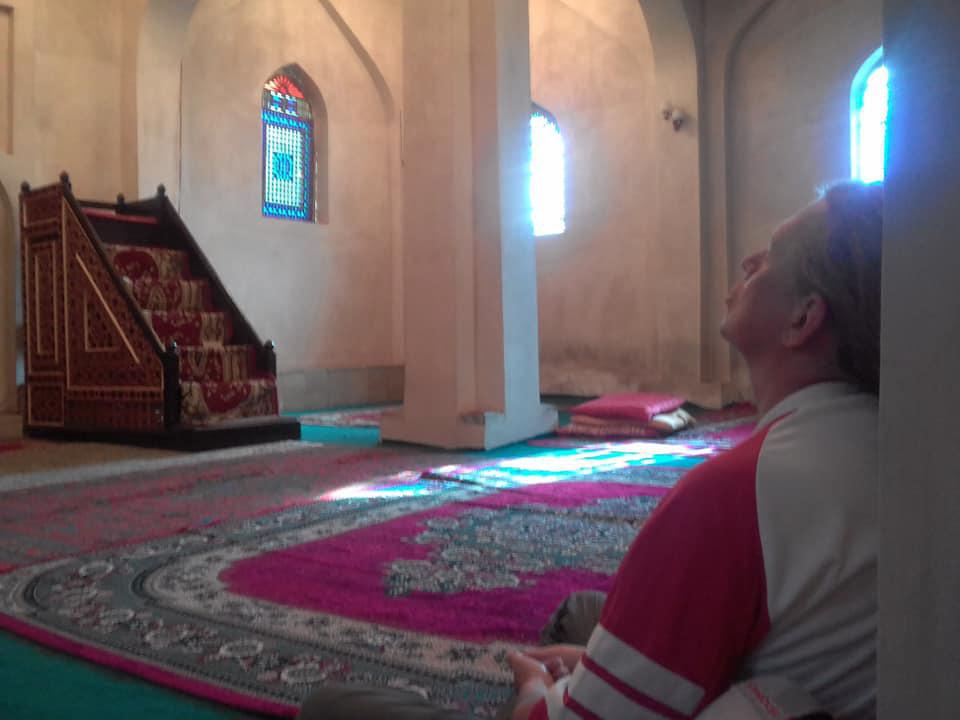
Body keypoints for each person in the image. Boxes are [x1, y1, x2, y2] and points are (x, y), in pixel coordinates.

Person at [506, 179, 882, 719]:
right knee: (582, 613)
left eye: (771, 254)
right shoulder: (896, 441)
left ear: (802, 319)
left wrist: (533, 691)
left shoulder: (735, 493)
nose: (750, 262)